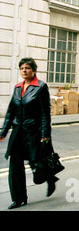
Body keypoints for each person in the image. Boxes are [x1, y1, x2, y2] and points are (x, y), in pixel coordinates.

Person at [0, 57, 58, 209]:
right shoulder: (18, 87)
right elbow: (11, 111)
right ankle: (18, 198)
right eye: (22, 68)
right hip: (18, 132)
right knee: (15, 164)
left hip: (34, 132)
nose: (24, 71)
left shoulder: (41, 87)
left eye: (27, 68)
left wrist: (45, 134)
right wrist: (3, 131)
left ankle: (50, 179)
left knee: (36, 162)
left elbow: (46, 113)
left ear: (33, 70)